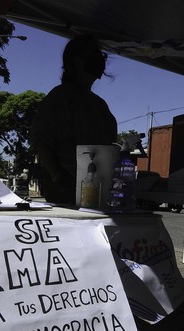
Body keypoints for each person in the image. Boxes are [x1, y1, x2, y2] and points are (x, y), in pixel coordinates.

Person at [30, 35, 118, 205]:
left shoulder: (99, 105)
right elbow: (40, 141)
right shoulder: (61, 97)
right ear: (76, 61)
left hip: (97, 194)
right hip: (67, 198)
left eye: (101, 55)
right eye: (94, 55)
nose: (100, 60)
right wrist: (58, 177)